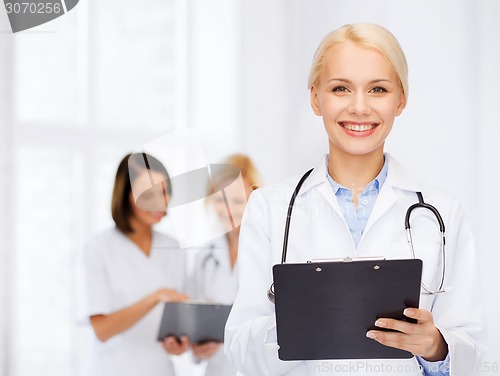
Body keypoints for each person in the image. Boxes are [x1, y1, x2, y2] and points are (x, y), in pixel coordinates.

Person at [224, 23, 488, 376]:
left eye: (378, 89)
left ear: (401, 100)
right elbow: (240, 351)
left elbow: (476, 351)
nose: (360, 107)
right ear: (315, 98)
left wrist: (436, 346)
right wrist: (297, 321)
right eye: (341, 88)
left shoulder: (442, 213)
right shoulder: (270, 208)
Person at [77, 153, 189, 376]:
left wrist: (180, 345)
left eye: (164, 192)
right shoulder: (99, 248)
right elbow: (102, 330)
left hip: (161, 370)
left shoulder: (175, 248)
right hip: (113, 369)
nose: (159, 201)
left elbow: (179, 323)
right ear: (126, 196)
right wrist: (156, 297)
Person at [189, 154, 262, 376]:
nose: (228, 209)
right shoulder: (205, 257)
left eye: (238, 200)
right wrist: (197, 347)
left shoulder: (269, 250)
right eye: (220, 200)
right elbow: (194, 323)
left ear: (254, 197)